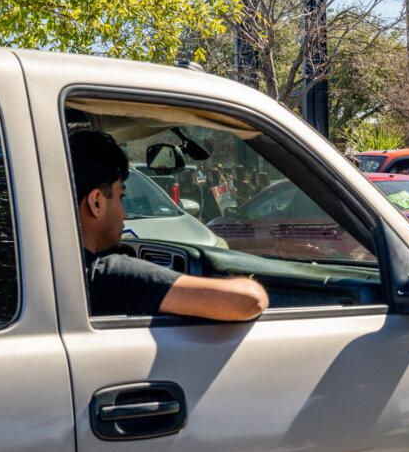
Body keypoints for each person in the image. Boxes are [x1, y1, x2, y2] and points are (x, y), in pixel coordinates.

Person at [71, 130, 268, 319]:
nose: (123, 213)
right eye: (121, 197)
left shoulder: (56, 273)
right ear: (96, 202)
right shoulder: (109, 278)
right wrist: (244, 281)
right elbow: (251, 300)